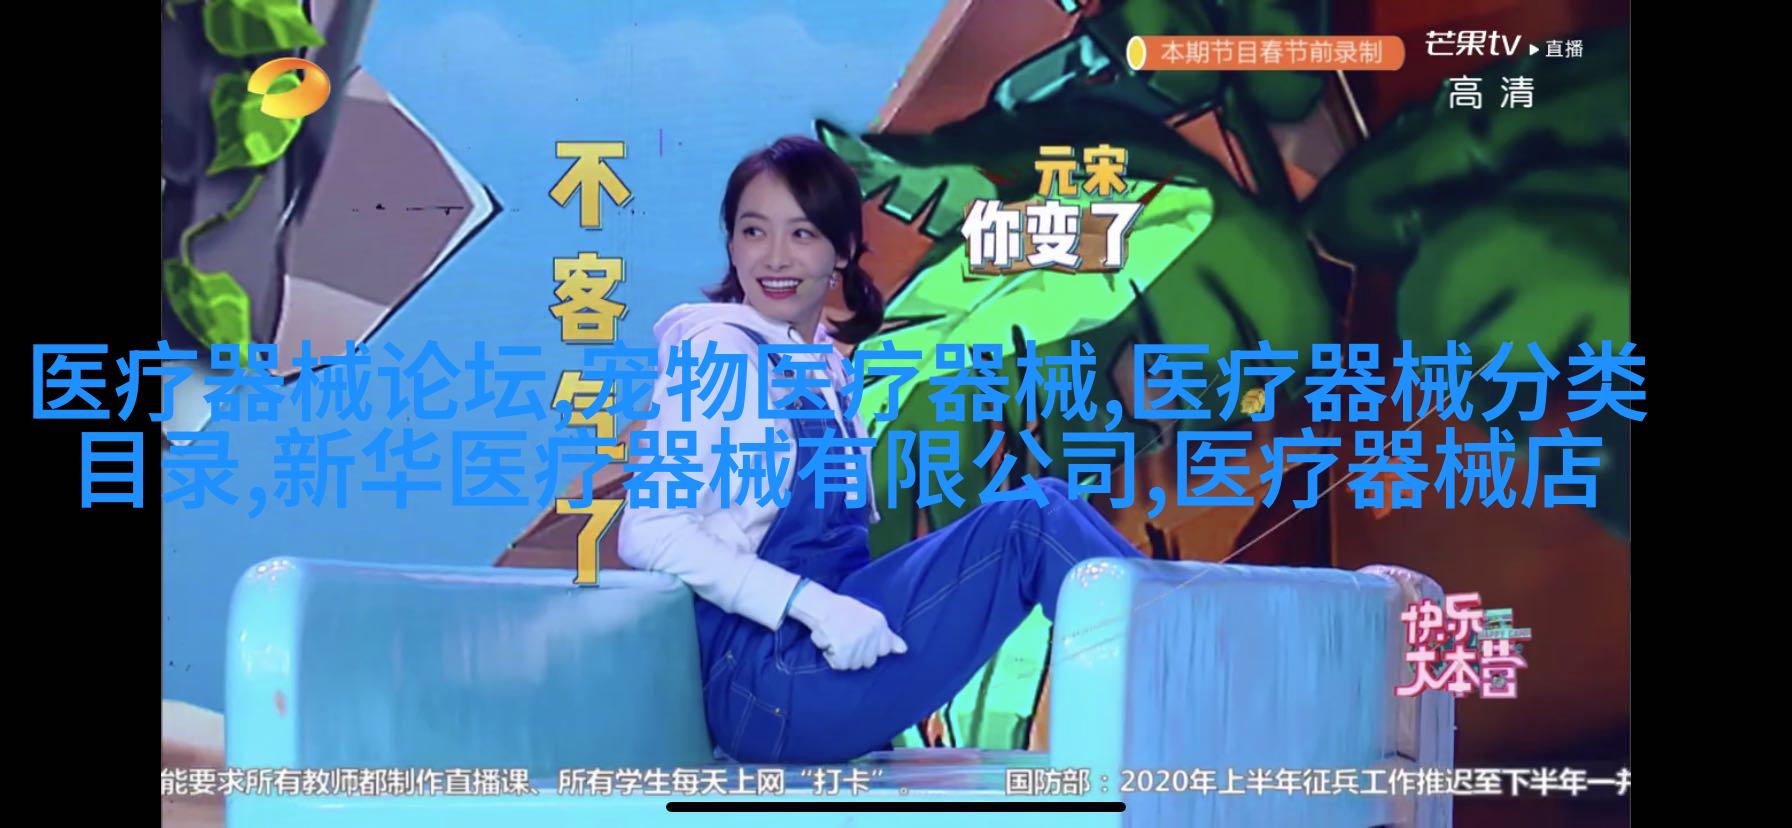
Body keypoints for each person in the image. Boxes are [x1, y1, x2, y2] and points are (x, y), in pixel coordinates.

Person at [619, 136, 1146, 764]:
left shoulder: (823, 366)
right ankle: (1196, 661)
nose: (775, 256)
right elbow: (649, 531)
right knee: (1033, 523)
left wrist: (842, 610)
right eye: (754, 231)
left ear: (842, 250)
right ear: (732, 245)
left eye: (802, 233)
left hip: (832, 652)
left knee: (1048, 503)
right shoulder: (717, 351)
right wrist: (811, 606)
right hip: (768, 682)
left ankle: (1193, 638)